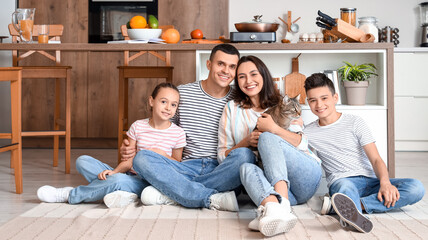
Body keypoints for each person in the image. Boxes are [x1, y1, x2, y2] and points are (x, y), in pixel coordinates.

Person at [119, 44, 256, 211]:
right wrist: (133, 146)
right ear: (209, 64)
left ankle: (174, 193)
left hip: (221, 169)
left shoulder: (241, 99)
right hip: (184, 168)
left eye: (232, 66)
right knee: (142, 158)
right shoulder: (183, 94)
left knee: (245, 156)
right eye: (220, 64)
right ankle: (207, 197)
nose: (226, 71)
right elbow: (165, 129)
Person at [303, 73, 425, 233]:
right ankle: (354, 212)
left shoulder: (355, 122)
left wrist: (385, 183)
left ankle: (346, 208)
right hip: (342, 181)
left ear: (335, 97)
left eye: (324, 98)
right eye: (313, 100)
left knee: (416, 188)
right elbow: (294, 144)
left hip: (370, 181)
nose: (319, 104)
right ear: (308, 103)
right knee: (346, 188)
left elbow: (375, 159)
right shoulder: (308, 132)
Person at [217, 55, 322, 236]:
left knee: (267, 137)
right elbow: (222, 156)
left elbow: (302, 142)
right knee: (245, 168)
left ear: (264, 76)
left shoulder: (284, 104)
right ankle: (274, 209)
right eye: (241, 76)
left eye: (253, 74)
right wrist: (246, 142)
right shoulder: (232, 109)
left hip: (304, 176)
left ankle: (283, 208)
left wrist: (273, 129)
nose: (248, 81)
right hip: (274, 187)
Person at [37, 82, 186, 208]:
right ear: (151, 101)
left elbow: (178, 166)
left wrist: (162, 155)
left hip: (148, 183)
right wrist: (115, 171)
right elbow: (129, 158)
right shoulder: (138, 126)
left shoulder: (178, 133)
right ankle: (119, 192)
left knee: (117, 180)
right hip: (128, 173)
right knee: (83, 161)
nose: (168, 108)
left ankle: (70, 194)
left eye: (173, 104)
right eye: (163, 101)